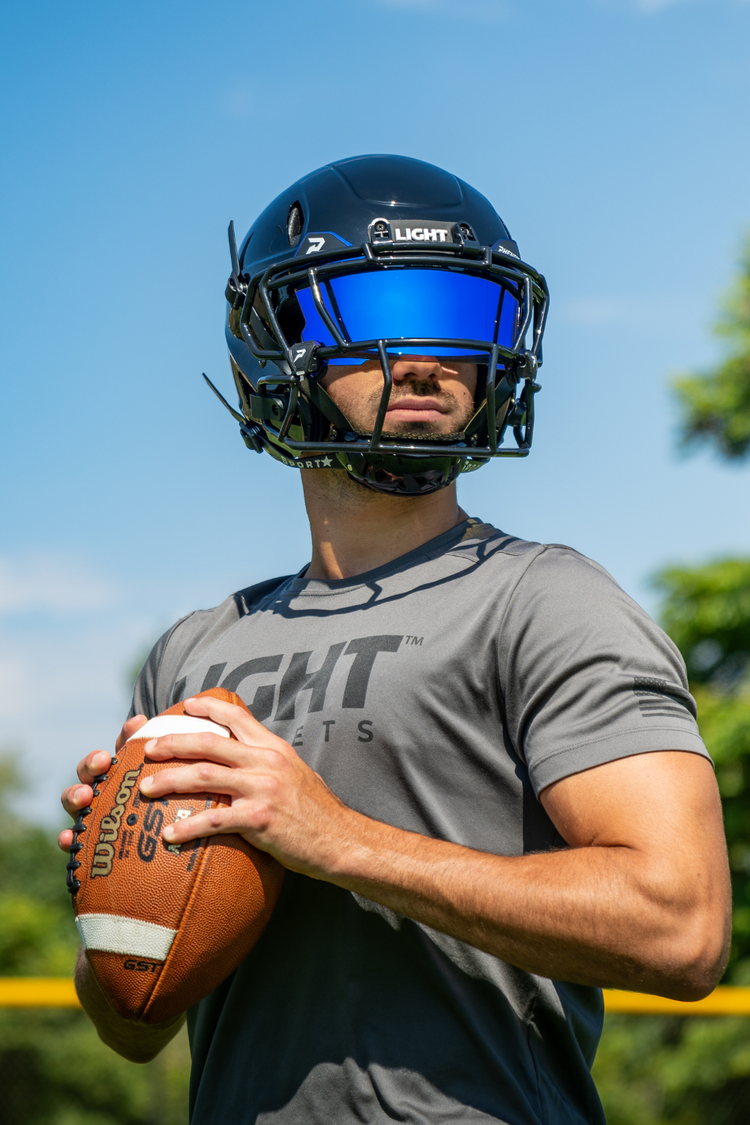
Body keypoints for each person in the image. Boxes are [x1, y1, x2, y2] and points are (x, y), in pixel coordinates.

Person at [59, 154, 730, 1125]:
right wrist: (109, 882)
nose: (427, 358)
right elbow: (131, 1030)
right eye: (376, 316)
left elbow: (683, 929)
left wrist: (337, 841)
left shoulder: (546, 601)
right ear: (277, 343)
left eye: (468, 319)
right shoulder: (194, 652)